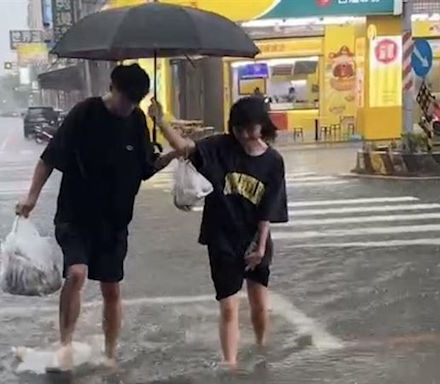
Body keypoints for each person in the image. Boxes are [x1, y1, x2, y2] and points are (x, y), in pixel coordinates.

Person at [16, 64, 176, 371]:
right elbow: (50, 157)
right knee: (76, 273)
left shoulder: (137, 121)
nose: (128, 107)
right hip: (75, 215)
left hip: (114, 221)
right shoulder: (85, 113)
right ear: (112, 87)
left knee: (111, 288)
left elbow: (146, 168)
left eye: (135, 102)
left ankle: (111, 353)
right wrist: (32, 196)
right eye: (125, 99)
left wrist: (170, 155)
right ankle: (65, 344)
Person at [155, 96, 288, 370]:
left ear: (262, 126)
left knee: (259, 304)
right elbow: (184, 148)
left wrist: (260, 248)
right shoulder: (220, 148)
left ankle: (262, 349)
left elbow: (269, 209)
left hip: (254, 240)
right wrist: (160, 121)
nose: (244, 135)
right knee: (228, 306)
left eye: (250, 128)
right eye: (239, 129)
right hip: (222, 239)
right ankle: (231, 365)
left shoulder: (274, 162)